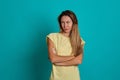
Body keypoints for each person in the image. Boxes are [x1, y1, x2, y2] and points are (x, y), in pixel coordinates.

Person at [46, 10, 85, 80]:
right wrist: (73, 56)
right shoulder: (52, 37)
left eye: (68, 22)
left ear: (73, 23)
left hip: (74, 77)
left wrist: (59, 63)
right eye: (62, 22)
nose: (65, 25)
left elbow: (78, 60)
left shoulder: (79, 40)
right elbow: (53, 59)